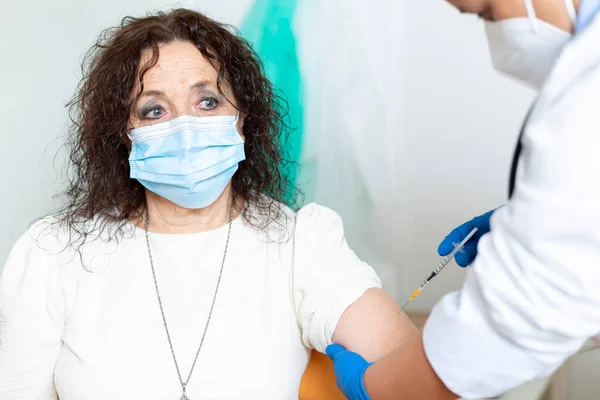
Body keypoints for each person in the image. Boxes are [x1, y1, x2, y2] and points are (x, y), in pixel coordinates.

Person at [0, 9, 418, 399]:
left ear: (241, 117)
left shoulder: (300, 244)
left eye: (207, 102)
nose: (185, 126)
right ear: (123, 133)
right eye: (154, 110)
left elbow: (417, 374)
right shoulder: (53, 252)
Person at [326, 0, 600, 399]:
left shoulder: (585, 97)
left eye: (485, 13)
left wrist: (376, 388)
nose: (494, 38)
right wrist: (538, 226)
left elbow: (521, 318)